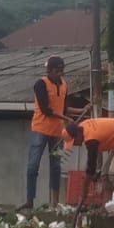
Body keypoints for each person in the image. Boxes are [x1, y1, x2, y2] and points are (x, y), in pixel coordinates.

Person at [22, 55, 72, 210]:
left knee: (56, 166)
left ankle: (55, 203)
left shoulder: (64, 85)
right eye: (57, 70)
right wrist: (66, 118)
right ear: (49, 70)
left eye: (62, 70)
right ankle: (30, 200)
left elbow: (64, 109)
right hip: (40, 130)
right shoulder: (40, 84)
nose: (60, 73)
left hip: (57, 132)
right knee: (33, 165)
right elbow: (46, 109)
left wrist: (81, 110)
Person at [64, 116, 114, 214]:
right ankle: (106, 206)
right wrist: (86, 184)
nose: (75, 145)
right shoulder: (82, 127)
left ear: (77, 135)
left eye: (74, 142)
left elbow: (91, 168)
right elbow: (92, 166)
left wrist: (84, 190)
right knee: (105, 174)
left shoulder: (91, 139)